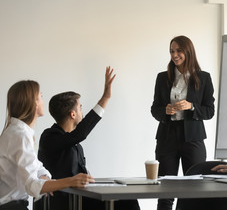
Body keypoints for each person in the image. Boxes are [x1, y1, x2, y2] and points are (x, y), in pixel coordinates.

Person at [36, 67, 140, 210]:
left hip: (78, 197)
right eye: (80, 107)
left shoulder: (75, 145)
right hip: (62, 201)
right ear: (73, 114)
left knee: (128, 200)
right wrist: (105, 98)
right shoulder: (49, 137)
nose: (82, 112)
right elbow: (79, 134)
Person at [0, 80, 93, 210]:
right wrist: (70, 181)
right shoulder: (20, 135)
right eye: (40, 96)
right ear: (33, 102)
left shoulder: (17, 132)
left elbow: (36, 166)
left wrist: (44, 176)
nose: (43, 101)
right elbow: (32, 185)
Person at [151, 35, 215, 210]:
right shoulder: (162, 77)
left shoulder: (204, 78)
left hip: (193, 138)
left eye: (179, 50)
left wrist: (192, 106)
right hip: (167, 137)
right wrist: (165, 110)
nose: (175, 54)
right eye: (172, 51)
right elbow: (155, 109)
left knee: (194, 190)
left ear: (188, 51)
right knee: (165, 192)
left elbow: (210, 111)